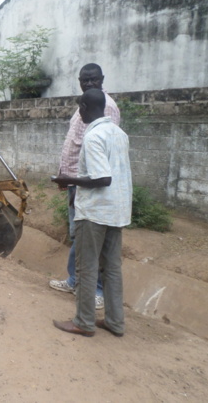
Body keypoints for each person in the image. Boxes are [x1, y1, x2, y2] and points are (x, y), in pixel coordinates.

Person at [51, 88, 132, 337]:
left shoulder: (93, 136)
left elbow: (102, 178)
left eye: (80, 109)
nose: (80, 113)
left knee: (86, 267)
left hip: (95, 212)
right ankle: (115, 322)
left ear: (84, 107)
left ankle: (83, 322)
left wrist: (69, 179)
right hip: (117, 211)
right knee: (111, 268)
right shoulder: (119, 134)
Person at [49, 63, 120, 310]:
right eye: (84, 80)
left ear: (102, 79)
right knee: (78, 234)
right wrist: (65, 177)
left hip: (89, 185)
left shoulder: (105, 108)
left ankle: (97, 290)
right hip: (75, 182)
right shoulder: (86, 105)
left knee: (90, 237)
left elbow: (102, 163)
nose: (88, 83)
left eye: (93, 79)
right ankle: (74, 280)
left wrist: (71, 180)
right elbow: (75, 144)